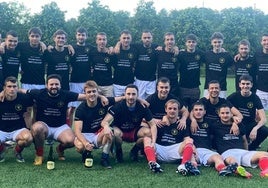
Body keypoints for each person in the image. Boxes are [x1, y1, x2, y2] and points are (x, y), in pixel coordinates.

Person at [24, 74, 87, 165]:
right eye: (51, 84)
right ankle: (39, 154)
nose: (54, 86)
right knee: (37, 128)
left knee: (71, 141)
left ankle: (60, 149)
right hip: (44, 126)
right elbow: (21, 91)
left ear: (60, 85)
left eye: (56, 84)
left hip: (60, 127)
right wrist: (3, 93)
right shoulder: (39, 93)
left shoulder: (65, 94)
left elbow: (85, 96)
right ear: (46, 85)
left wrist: (101, 97)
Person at [101, 84, 160, 171]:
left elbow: (152, 125)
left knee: (149, 132)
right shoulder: (118, 106)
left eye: (133, 94)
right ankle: (118, 151)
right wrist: (106, 127)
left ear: (137, 95)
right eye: (128, 94)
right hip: (120, 131)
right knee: (114, 132)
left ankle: (135, 150)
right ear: (124, 95)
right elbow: (104, 121)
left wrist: (153, 142)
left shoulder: (142, 107)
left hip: (134, 131)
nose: (131, 97)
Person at [74, 80, 124, 168]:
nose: (92, 94)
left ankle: (104, 159)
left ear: (98, 92)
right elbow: (77, 131)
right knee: (80, 146)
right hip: (85, 135)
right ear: (85, 94)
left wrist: (139, 99)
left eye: (94, 91)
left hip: (98, 134)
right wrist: (85, 143)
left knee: (109, 131)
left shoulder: (103, 102)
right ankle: (86, 153)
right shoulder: (80, 109)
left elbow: (121, 98)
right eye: (89, 92)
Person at [143, 99, 200, 175]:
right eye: (170, 108)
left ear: (178, 111)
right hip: (160, 150)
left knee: (189, 140)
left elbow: (187, 140)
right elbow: (143, 119)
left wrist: (194, 150)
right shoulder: (159, 123)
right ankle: (153, 163)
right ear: (166, 109)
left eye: (175, 109)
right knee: (146, 139)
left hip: (175, 151)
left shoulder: (182, 124)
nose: (172, 111)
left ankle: (183, 165)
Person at [211, 104, 268, 178]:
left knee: (264, 154)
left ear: (231, 114)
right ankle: (238, 168)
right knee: (232, 160)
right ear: (219, 114)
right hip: (227, 152)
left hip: (241, 151)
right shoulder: (215, 126)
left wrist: (247, 152)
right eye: (222, 113)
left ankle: (266, 170)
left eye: (227, 113)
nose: (225, 115)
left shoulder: (239, 125)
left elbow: (244, 140)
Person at [190, 101, 239, 176]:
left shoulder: (211, 123)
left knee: (218, 157)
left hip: (206, 151)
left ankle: (223, 169)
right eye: (196, 110)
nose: (198, 112)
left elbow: (225, 120)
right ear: (192, 112)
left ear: (204, 112)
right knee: (191, 156)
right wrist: (192, 120)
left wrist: (234, 123)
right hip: (193, 149)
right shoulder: (187, 123)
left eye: (200, 110)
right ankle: (193, 168)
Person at [227, 75, 268, 151]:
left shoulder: (255, 97)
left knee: (265, 130)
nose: (245, 86)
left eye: (247, 84)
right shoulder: (233, 96)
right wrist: (232, 119)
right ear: (239, 85)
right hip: (237, 124)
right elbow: (223, 108)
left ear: (251, 85)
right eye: (243, 84)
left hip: (250, 125)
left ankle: (251, 148)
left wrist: (255, 129)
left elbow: (263, 119)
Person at [18, 27, 47, 128]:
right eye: (32, 36)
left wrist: (68, 45)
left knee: (37, 108)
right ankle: (27, 129)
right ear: (29, 36)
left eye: (37, 36)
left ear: (40, 37)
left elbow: (58, 47)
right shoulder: (22, 46)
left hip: (40, 83)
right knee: (27, 109)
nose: (35, 38)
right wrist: (3, 44)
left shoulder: (44, 49)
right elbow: (9, 42)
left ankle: (35, 130)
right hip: (26, 82)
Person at [0, 77, 33, 163]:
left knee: (28, 139)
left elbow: (29, 113)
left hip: (18, 129)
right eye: (9, 86)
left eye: (14, 86)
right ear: (4, 88)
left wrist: (29, 129)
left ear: (18, 88)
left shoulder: (25, 98)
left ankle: (17, 151)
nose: (12, 89)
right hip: (1, 130)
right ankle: (2, 149)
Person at [67, 27, 94, 126]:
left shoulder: (90, 48)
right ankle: (69, 130)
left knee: (87, 106)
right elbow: (59, 46)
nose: (81, 37)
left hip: (86, 82)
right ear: (76, 36)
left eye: (83, 35)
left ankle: (86, 129)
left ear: (86, 36)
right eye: (79, 35)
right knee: (71, 108)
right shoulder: (71, 48)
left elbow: (102, 50)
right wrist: (67, 45)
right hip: (74, 81)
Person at [178, 34, 205, 110]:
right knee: (183, 110)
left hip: (195, 88)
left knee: (194, 110)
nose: (191, 44)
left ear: (196, 43)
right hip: (183, 87)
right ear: (186, 43)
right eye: (189, 42)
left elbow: (211, 55)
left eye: (193, 42)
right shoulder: (181, 54)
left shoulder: (200, 54)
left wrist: (222, 50)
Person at [203, 32, 234, 98]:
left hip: (221, 89)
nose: (217, 44)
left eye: (219, 42)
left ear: (222, 42)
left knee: (222, 108)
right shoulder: (206, 55)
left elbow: (237, 63)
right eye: (215, 42)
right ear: (211, 42)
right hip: (208, 88)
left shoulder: (227, 56)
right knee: (206, 107)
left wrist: (239, 55)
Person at [133, 30, 158, 99]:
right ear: (141, 38)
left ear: (152, 38)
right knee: (139, 100)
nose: (147, 39)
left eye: (149, 37)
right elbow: (124, 43)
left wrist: (176, 48)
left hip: (151, 81)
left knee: (151, 101)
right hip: (139, 80)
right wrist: (118, 44)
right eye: (145, 37)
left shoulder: (156, 47)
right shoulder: (137, 46)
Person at [113, 30, 138, 97]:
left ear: (131, 39)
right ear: (120, 39)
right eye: (124, 38)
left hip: (130, 84)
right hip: (117, 84)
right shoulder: (115, 51)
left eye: (128, 38)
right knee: (117, 105)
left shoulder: (135, 50)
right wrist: (117, 44)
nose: (126, 40)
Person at [91, 32, 115, 97]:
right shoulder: (92, 52)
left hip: (108, 86)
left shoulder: (111, 54)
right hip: (96, 86)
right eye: (100, 39)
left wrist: (112, 48)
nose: (102, 41)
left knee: (109, 105)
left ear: (106, 41)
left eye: (104, 39)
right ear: (96, 41)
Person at [255, 33, 268, 111]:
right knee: (257, 117)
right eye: (264, 40)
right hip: (260, 91)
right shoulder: (257, 54)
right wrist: (239, 54)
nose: (266, 42)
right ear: (261, 42)